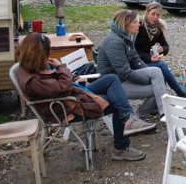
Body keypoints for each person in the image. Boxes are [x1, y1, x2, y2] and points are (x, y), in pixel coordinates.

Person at [16, 32, 155, 161]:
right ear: (39, 53)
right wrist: (61, 67)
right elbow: (62, 88)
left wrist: (74, 77)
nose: (49, 54)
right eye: (47, 51)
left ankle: (128, 116)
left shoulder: (31, 67)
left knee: (111, 79)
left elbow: (62, 84)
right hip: (68, 107)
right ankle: (122, 147)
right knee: (116, 102)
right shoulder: (33, 80)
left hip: (74, 94)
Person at [97, 9, 166, 119]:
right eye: (135, 22)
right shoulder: (114, 41)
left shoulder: (126, 37)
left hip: (122, 77)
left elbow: (136, 59)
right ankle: (142, 115)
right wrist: (145, 79)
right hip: (114, 83)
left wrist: (147, 74)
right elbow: (124, 72)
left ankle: (164, 111)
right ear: (126, 24)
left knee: (157, 73)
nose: (139, 24)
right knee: (158, 89)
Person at [135, 2, 186, 98]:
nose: (155, 17)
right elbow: (132, 52)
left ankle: (156, 103)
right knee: (161, 66)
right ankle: (180, 92)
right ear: (147, 12)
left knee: (161, 71)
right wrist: (149, 58)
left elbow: (166, 46)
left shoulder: (157, 28)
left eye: (157, 15)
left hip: (149, 59)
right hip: (137, 62)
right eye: (153, 14)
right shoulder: (139, 26)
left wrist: (162, 49)